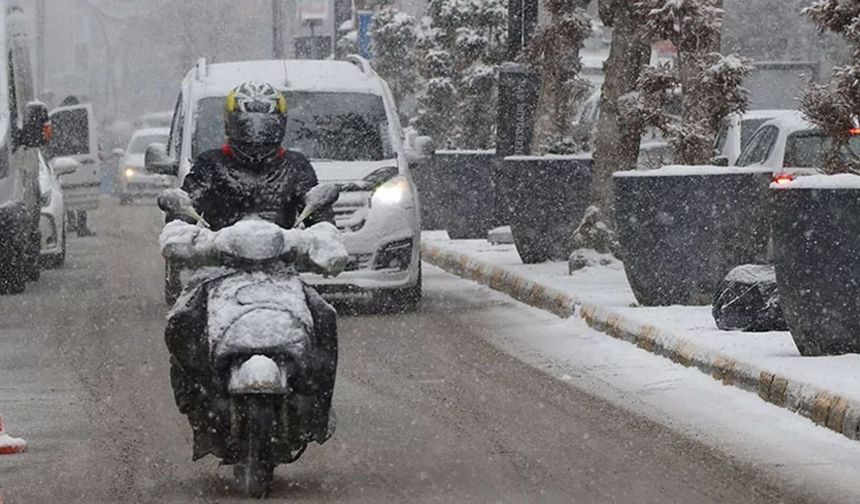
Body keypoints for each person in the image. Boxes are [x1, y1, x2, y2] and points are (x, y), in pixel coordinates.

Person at [163, 81, 338, 460]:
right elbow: (184, 205)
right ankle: (196, 402)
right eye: (248, 126)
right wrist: (180, 229)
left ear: (280, 126)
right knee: (181, 321)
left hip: (281, 272)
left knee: (324, 318)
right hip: (218, 272)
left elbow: (318, 213)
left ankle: (314, 412)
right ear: (231, 124)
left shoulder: (296, 166)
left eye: (265, 126)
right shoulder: (211, 164)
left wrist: (325, 240)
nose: (256, 135)